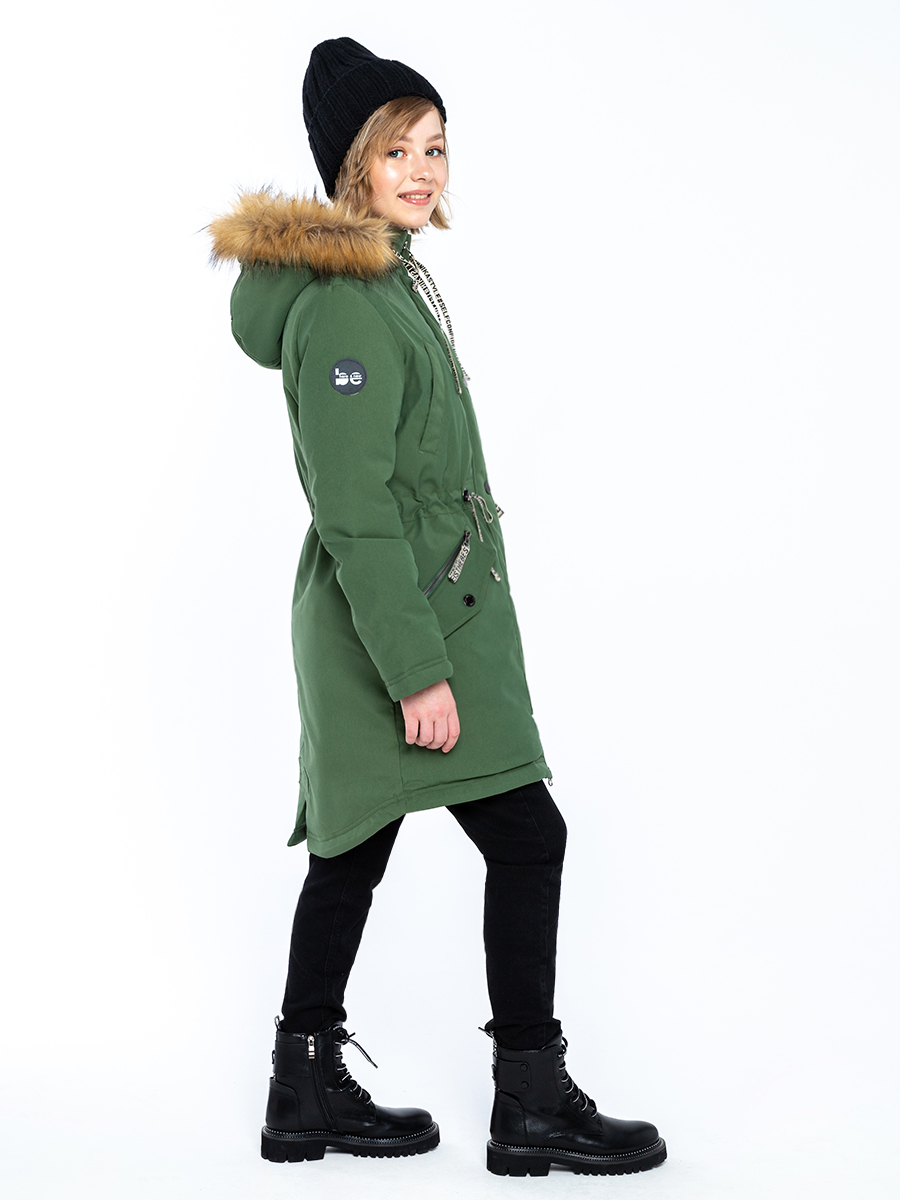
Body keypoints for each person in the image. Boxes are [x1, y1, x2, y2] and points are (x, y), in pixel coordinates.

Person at [209, 36, 666, 1177]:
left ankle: (305, 1086)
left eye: (437, 146)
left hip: (432, 606)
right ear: (350, 165)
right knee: (512, 836)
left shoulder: (391, 275)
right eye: (396, 150)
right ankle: (527, 1098)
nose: (422, 170)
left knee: (357, 851)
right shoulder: (348, 308)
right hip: (395, 625)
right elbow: (355, 510)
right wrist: (417, 671)